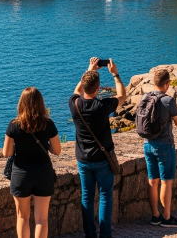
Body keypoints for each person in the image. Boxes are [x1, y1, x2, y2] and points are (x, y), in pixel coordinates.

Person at [70, 58, 127, 238]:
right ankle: (105, 235)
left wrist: (89, 71)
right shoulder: (102, 106)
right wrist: (115, 74)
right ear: (98, 88)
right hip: (102, 160)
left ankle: (90, 234)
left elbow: (76, 91)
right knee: (105, 197)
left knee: (86, 197)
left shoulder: (75, 104)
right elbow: (122, 96)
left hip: (83, 159)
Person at [3, 87, 62, 238]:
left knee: (22, 217)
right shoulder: (48, 124)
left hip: (21, 174)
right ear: (40, 103)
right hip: (43, 173)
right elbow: (57, 150)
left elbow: (6, 153)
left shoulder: (13, 125)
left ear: (21, 103)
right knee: (41, 219)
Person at [143, 69, 177, 227]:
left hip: (147, 144)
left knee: (152, 181)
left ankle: (155, 216)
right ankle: (167, 217)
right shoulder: (168, 100)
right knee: (166, 182)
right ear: (167, 83)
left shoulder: (145, 97)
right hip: (165, 145)